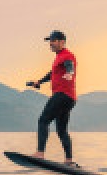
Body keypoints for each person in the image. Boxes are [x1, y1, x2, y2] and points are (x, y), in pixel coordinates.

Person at [27, 30, 78, 165]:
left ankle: (40, 153)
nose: (51, 43)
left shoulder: (66, 55)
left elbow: (70, 65)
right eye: (50, 41)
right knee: (61, 130)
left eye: (53, 41)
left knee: (43, 121)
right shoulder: (59, 57)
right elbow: (52, 74)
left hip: (62, 95)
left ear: (62, 42)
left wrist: (70, 73)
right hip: (69, 98)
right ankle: (69, 160)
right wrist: (39, 82)